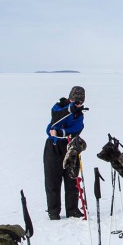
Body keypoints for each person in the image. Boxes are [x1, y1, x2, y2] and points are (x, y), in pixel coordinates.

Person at [42, 85, 86, 220]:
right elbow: (54, 121)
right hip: (53, 147)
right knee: (52, 180)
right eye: (74, 101)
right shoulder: (58, 106)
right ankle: (53, 211)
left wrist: (61, 132)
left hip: (70, 147)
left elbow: (77, 128)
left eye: (80, 102)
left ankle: (72, 209)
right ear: (69, 98)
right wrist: (69, 109)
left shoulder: (79, 115)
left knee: (71, 178)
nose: (77, 104)